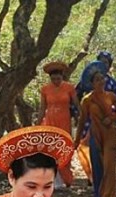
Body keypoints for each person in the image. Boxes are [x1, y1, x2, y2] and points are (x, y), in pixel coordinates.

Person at [74, 52, 116, 187]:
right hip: (91, 127)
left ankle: (108, 196)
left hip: (109, 130)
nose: (100, 81)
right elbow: (76, 97)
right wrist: (75, 116)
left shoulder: (113, 87)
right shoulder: (86, 92)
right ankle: (94, 183)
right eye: (101, 61)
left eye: (106, 62)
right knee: (95, 159)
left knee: (109, 163)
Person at [38, 61, 79, 189]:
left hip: (64, 121)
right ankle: (54, 180)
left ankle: (66, 178)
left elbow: (77, 105)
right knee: (51, 150)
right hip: (50, 122)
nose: (56, 81)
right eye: (54, 79)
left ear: (62, 77)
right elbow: (42, 108)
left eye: (59, 78)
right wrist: (38, 123)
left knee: (64, 149)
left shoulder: (69, 88)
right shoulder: (45, 89)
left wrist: (80, 118)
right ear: (50, 78)